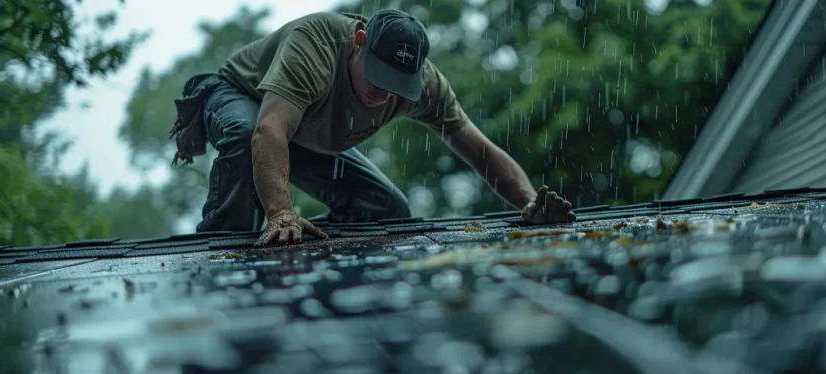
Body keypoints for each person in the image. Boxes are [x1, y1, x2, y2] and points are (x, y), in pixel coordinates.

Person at [170, 9, 576, 247]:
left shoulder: (425, 88)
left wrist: (529, 203)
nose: (384, 95)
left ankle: (302, 255)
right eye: (378, 79)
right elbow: (269, 132)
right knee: (245, 135)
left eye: (398, 86)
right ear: (359, 42)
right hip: (242, 101)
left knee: (388, 212)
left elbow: (479, 149)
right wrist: (280, 213)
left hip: (301, 132)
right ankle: (223, 253)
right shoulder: (315, 47)